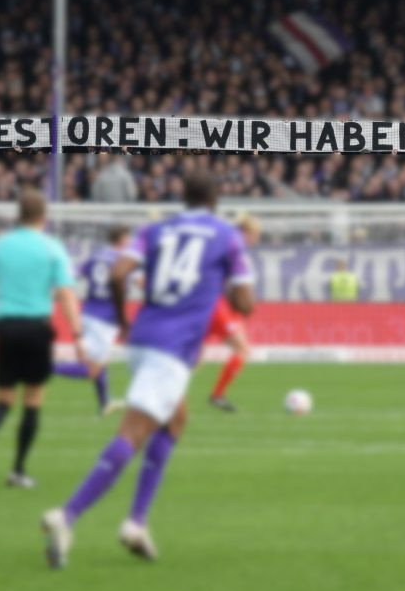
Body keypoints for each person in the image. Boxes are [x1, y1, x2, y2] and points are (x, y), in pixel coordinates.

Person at [41, 169, 255, 567]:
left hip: (142, 336)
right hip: (173, 348)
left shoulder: (155, 229)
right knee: (134, 432)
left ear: (184, 199)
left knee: (176, 420)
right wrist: (227, 285)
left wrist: (123, 318)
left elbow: (120, 272)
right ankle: (66, 516)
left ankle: (136, 523)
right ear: (215, 202)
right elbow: (245, 303)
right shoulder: (228, 236)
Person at [0, 188, 84, 489]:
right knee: (32, 400)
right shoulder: (52, 248)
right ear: (43, 217)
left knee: (3, 398)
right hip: (36, 326)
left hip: (4, 325)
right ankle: (17, 470)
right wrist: (78, 333)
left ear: (18, 216)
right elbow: (66, 294)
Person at [53, 226, 129, 416]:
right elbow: (137, 281)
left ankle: (105, 402)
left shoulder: (96, 256)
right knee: (92, 368)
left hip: (88, 313)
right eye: (129, 239)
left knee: (99, 360)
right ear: (122, 239)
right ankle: (45, 367)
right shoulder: (123, 260)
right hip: (106, 318)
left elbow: (73, 273)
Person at [207, 213, 259, 412]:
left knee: (195, 353)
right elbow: (235, 282)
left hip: (219, 304)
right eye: (255, 234)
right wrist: (245, 301)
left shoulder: (227, 242)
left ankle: (217, 395)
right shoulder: (235, 246)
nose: (257, 239)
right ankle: (217, 395)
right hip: (217, 304)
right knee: (242, 349)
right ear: (247, 232)